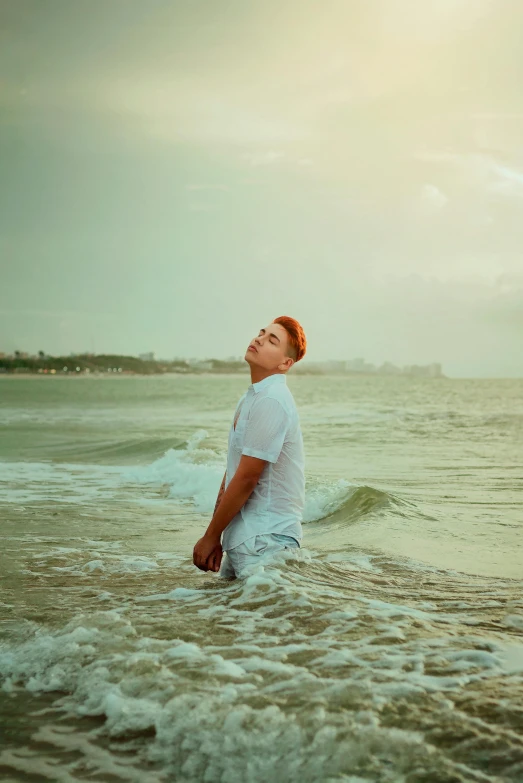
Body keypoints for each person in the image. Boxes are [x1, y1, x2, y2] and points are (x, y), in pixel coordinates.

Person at [192, 316, 307, 578]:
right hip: (247, 538)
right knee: (230, 617)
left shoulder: (272, 400)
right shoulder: (253, 397)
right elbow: (234, 472)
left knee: (267, 617)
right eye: (261, 333)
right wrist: (217, 534)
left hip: (267, 541)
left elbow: (247, 478)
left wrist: (210, 536)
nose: (259, 339)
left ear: (285, 363)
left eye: (272, 340)